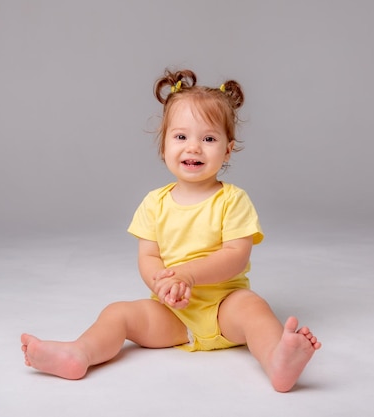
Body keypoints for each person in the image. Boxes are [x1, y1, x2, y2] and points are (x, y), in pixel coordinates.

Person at [20, 69, 321, 392]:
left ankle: (278, 361)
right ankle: (80, 353)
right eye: (181, 137)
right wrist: (162, 284)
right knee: (118, 313)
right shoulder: (154, 203)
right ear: (163, 146)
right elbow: (148, 256)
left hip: (224, 308)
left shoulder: (233, 200)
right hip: (172, 315)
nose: (193, 148)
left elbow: (236, 255)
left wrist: (188, 275)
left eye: (208, 138)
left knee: (254, 309)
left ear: (228, 149)